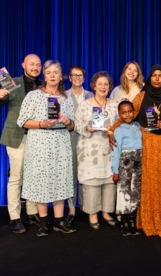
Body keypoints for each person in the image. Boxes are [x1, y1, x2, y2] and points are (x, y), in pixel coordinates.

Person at [109, 64, 161, 237]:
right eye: (154, 75)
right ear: (150, 77)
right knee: (149, 183)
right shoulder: (141, 97)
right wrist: (112, 130)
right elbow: (127, 115)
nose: (157, 78)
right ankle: (148, 220)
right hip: (148, 145)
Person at [16, 60, 76, 236]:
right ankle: (43, 222)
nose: (52, 75)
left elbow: (73, 126)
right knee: (41, 180)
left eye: (55, 72)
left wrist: (68, 121)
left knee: (60, 179)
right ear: (44, 75)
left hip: (61, 143)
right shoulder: (33, 96)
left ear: (61, 76)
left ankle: (59, 220)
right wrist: (42, 123)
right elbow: (22, 121)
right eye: (48, 72)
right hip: (39, 144)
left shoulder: (66, 99)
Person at [0, 54, 42, 233]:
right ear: (23, 65)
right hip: (16, 137)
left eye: (38, 64)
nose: (35, 67)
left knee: (34, 177)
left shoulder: (42, 86)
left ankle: (33, 212)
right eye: (31, 64)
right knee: (17, 177)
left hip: (37, 138)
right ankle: (15, 217)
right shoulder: (12, 83)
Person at [75, 71, 119, 230]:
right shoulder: (85, 105)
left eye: (106, 84)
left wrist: (113, 128)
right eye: (99, 84)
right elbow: (77, 125)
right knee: (92, 182)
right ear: (93, 86)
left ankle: (106, 212)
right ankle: (93, 214)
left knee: (109, 181)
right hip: (89, 151)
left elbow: (121, 124)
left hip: (109, 149)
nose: (103, 87)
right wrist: (87, 127)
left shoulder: (114, 105)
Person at [64, 65, 94, 224]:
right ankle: (71, 208)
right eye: (74, 75)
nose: (77, 78)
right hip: (70, 141)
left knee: (87, 176)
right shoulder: (63, 96)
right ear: (69, 78)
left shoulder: (91, 95)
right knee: (71, 175)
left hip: (89, 141)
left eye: (80, 75)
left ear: (84, 78)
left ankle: (85, 206)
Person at [111, 100, 143, 236]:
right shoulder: (118, 130)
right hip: (125, 164)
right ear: (119, 115)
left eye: (130, 111)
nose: (128, 115)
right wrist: (115, 171)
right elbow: (116, 152)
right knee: (124, 192)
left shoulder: (138, 125)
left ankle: (132, 222)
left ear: (134, 112)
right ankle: (124, 223)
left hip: (138, 164)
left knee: (135, 192)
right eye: (124, 113)